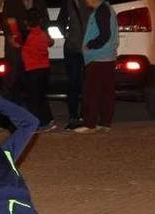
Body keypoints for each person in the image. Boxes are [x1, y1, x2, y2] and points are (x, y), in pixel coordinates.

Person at [73, 0, 118, 133]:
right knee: (106, 92)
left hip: (98, 57)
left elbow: (105, 35)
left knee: (91, 92)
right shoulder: (107, 8)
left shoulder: (101, 10)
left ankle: (90, 124)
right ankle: (105, 123)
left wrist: (90, 45)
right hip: (107, 57)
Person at [1, 0, 52, 104]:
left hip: (34, 54)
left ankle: (39, 114)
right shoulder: (11, 3)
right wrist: (11, 37)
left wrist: (44, 35)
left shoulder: (39, 3)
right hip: (16, 50)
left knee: (36, 88)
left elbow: (45, 22)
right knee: (13, 81)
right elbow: (6, 22)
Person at [57, 0, 92, 130]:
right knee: (74, 83)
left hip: (85, 48)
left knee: (84, 83)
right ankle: (74, 115)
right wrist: (67, 35)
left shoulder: (87, 3)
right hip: (74, 48)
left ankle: (82, 115)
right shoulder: (69, 3)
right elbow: (61, 21)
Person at [20, 8, 56, 132]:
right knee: (42, 97)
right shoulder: (43, 34)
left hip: (32, 70)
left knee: (34, 99)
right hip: (45, 69)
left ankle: (36, 124)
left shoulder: (26, 36)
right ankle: (49, 121)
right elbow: (51, 42)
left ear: (26, 22)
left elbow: (15, 42)